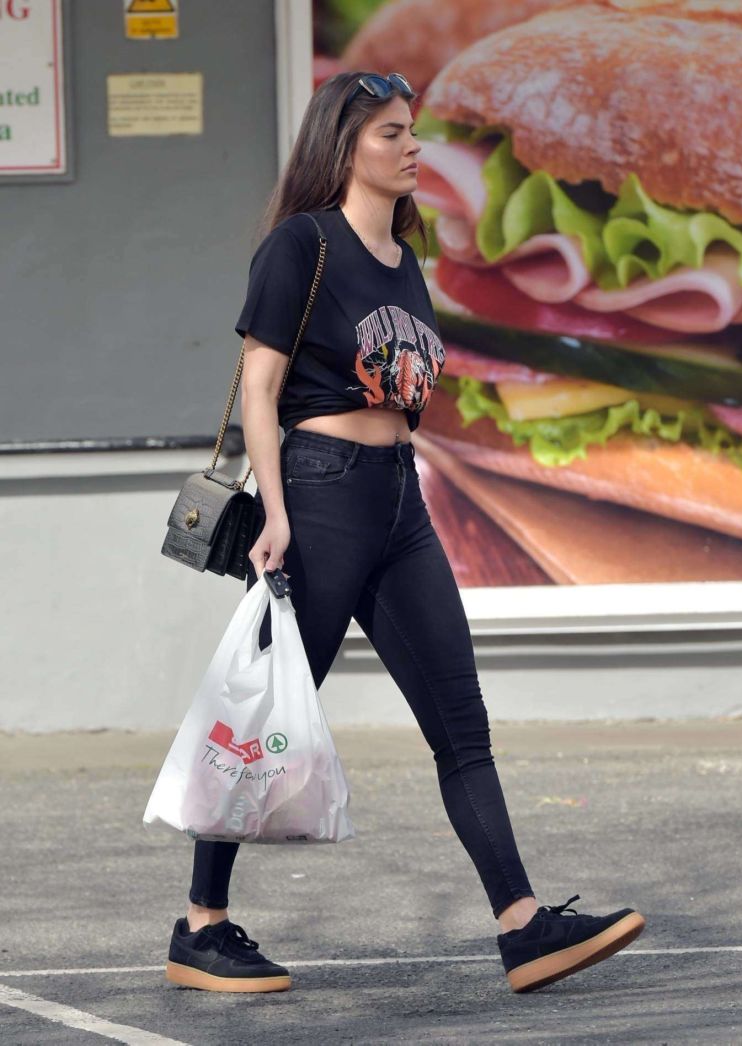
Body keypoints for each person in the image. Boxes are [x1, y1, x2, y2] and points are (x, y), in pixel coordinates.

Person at [165, 71, 646, 996]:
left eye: (414, 132)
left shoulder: (405, 256)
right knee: (262, 718)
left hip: (398, 500)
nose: (414, 147)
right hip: (317, 494)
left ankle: (523, 925)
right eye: (393, 134)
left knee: (461, 724)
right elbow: (260, 390)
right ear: (346, 148)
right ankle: (202, 925)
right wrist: (274, 509)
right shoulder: (300, 247)